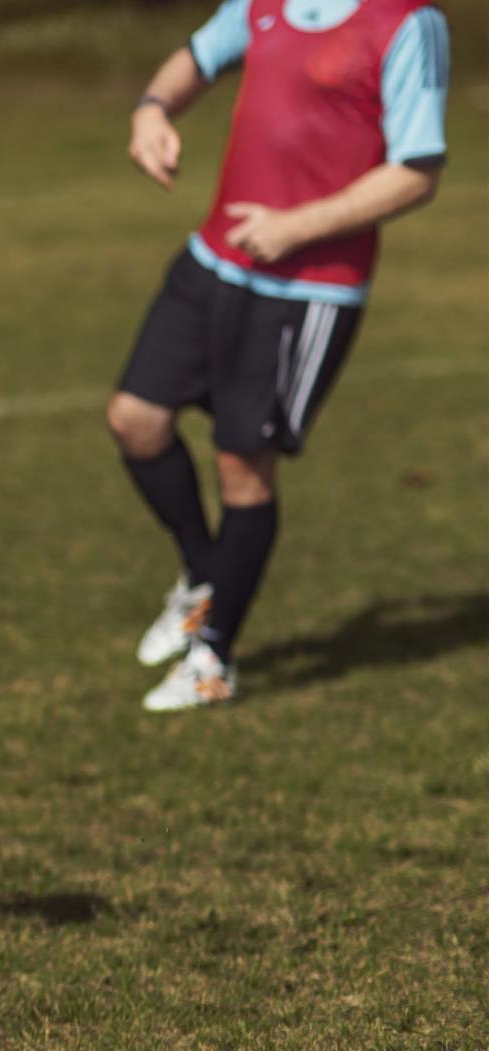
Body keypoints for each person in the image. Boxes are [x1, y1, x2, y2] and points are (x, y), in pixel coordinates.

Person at [109, 0, 449, 712]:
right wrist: (151, 111)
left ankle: (214, 657)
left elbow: (417, 168)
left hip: (309, 290)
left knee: (243, 466)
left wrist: (299, 225)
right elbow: (196, 59)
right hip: (212, 261)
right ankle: (206, 579)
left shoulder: (408, 22)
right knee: (135, 420)